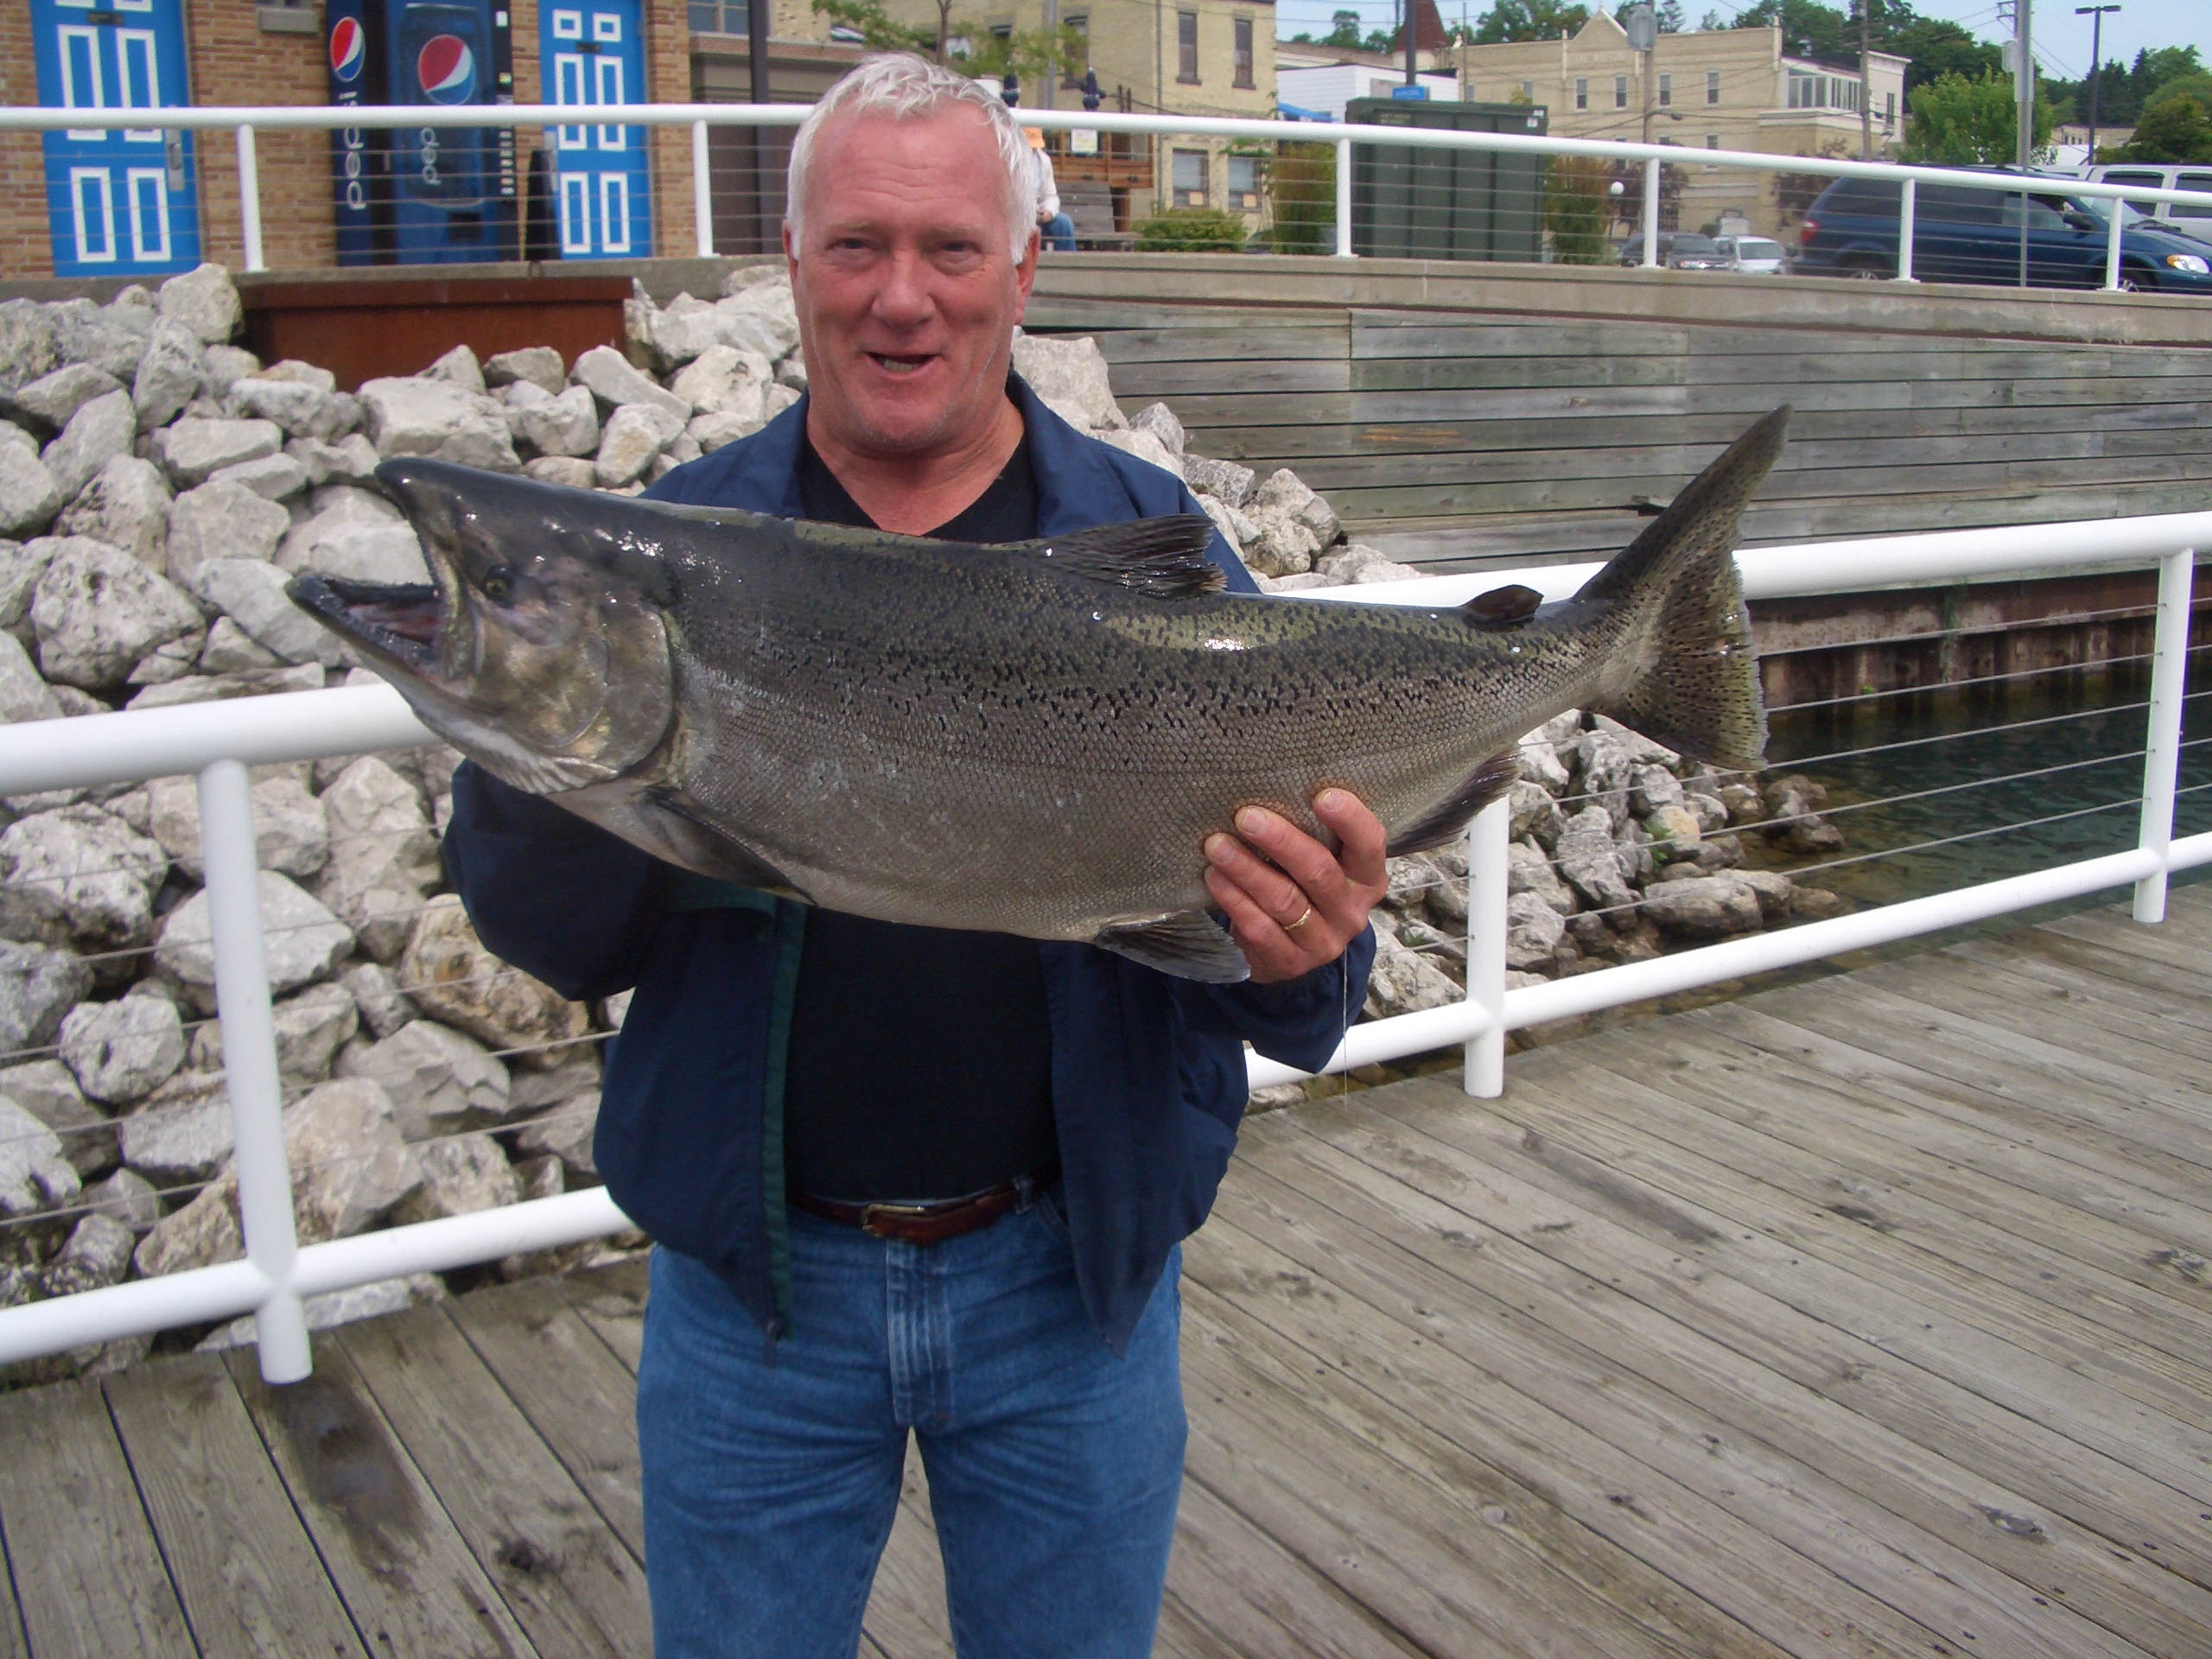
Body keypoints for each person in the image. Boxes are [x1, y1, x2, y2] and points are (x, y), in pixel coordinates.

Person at [441, 51, 1384, 1659]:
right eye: (856, 247)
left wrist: (1303, 954)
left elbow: (1302, 990)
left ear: (1024, 270)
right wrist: (566, 742)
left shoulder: (1156, 554)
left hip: (1072, 1296)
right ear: (791, 267)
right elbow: (552, 936)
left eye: (950, 249)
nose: (903, 300)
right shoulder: (669, 557)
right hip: (757, 1307)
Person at [1027, 124, 1077, 252]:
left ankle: (1068, 266)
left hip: (1039, 214)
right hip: (1019, 216)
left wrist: (1049, 211)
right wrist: (1031, 212)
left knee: (1064, 223)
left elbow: (1051, 195)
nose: (1032, 149)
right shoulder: (1008, 160)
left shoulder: (1044, 160)